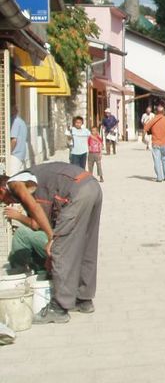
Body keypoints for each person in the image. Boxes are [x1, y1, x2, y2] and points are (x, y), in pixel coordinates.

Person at [0, 162, 103, 324]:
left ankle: (58, 308)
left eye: (2, 200)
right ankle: (83, 299)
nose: (6, 204)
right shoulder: (30, 181)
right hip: (92, 186)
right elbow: (37, 222)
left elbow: (34, 207)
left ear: (1, 190)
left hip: (76, 192)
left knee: (60, 249)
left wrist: (51, 239)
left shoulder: (14, 183)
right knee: (85, 246)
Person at [143, 103, 165, 182]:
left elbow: (145, 129)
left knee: (157, 160)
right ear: (164, 112)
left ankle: (159, 177)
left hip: (155, 144)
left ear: (156, 112)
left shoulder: (152, 120)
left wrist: (143, 139)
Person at [8, 105, 28, 175]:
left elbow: (14, 140)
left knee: (11, 178)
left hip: (15, 156)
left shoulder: (15, 122)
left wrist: (8, 153)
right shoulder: (22, 122)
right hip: (21, 155)